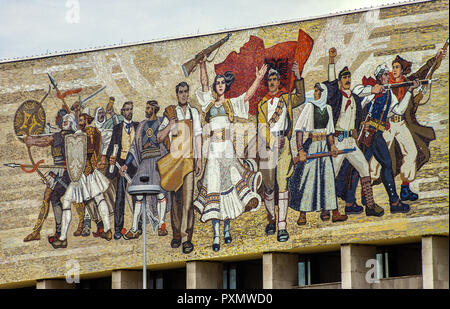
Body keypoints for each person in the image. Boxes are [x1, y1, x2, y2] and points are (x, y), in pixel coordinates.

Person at [193, 56, 266, 252]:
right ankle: (216, 234)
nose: (219, 85)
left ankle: (226, 229)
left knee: (231, 189)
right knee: (215, 189)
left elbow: (247, 96)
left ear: (226, 85)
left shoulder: (231, 104)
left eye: (222, 83)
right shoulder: (209, 103)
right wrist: (202, 65)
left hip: (227, 150)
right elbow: (204, 83)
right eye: (217, 83)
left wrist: (258, 79)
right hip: (214, 153)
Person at [370, 49, 446, 201]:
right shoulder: (385, 81)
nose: (394, 70)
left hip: (401, 124)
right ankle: (368, 184)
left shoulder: (408, 81)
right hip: (387, 125)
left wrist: (436, 59)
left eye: (397, 67)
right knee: (378, 156)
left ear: (403, 70)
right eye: (393, 67)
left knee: (411, 152)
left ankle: (405, 188)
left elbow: (424, 71)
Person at [349, 64, 420, 214]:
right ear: (380, 77)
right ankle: (351, 202)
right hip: (366, 134)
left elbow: (399, 110)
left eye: (388, 75)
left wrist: (409, 91)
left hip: (377, 135)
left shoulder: (389, 95)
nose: (388, 77)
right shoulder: (371, 91)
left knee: (386, 165)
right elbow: (355, 91)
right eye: (385, 75)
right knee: (359, 168)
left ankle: (394, 202)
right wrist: (372, 90)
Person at [325, 47, 384, 217]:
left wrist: (361, 125)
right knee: (332, 174)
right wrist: (331, 60)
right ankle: (327, 208)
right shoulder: (336, 97)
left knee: (364, 167)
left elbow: (362, 98)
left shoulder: (355, 98)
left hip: (351, 142)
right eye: (344, 78)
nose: (347, 80)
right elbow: (330, 81)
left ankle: (371, 206)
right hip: (338, 140)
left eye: (349, 77)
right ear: (339, 81)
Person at [256, 63, 305, 242]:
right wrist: (273, 141)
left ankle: (282, 226)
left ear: (279, 82)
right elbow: (262, 128)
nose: (272, 82)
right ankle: (271, 219)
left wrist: (298, 76)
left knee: (282, 184)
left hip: (284, 144)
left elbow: (300, 97)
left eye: (275, 79)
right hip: (267, 146)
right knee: (268, 187)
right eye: (270, 79)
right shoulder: (261, 104)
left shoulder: (286, 98)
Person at [288, 83, 348, 225]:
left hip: (325, 148)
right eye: (315, 90)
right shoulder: (309, 107)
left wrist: (332, 145)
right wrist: (301, 149)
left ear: (324, 93)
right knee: (308, 179)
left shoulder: (327, 109)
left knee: (328, 178)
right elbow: (299, 130)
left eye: (318, 91)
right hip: (313, 146)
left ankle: (333, 211)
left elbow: (330, 131)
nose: (315, 93)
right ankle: (303, 214)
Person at [51, 112, 113, 249]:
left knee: (67, 201)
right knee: (99, 198)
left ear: (87, 120)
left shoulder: (85, 133)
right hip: (86, 172)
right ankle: (108, 230)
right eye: (78, 120)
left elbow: (92, 151)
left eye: (82, 119)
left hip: (82, 174)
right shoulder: (91, 132)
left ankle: (62, 239)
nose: (80, 121)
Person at [157, 82, 202, 254]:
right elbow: (159, 137)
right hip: (175, 162)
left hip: (189, 161)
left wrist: (199, 160)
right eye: (181, 92)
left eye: (185, 92)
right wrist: (170, 125)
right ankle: (176, 233)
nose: (183, 95)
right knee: (176, 201)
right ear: (177, 95)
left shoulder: (194, 112)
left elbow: (198, 137)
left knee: (188, 201)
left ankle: (185, 237)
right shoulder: (170, 113)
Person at [119, 101, 171, 240]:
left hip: (158, 162)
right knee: (139, 195)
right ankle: (134, 228)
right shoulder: (141, 125)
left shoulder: (161, 122)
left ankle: (161, 225)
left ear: (154, 109)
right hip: (144, 163)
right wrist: (126, 165)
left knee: (160, 193)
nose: (146, 110)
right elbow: (134, 148)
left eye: (148, 108)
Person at [23, 111, 76, 242]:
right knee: (49, 197)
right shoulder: (65, 135)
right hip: (58, 171)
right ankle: (38, 231)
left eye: (68, 120)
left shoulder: (63, 136)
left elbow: (47, 140)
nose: (64, 121)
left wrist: (32, 141)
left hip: (65, 172)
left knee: (54, 197)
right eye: (64, 120)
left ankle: (59, 231)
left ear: (72, 124)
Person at [105, 101, 139, 240]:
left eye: (131, 109)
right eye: (126, 110)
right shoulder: (117, 128)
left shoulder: (138, 126)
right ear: (122, 112)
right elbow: (111, 148)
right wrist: (111, 159)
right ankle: (118, 228)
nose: (129, 112)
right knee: (120, 197)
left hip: (135, 165)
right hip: (121, 165)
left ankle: (138, 226)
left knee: (137, 196)